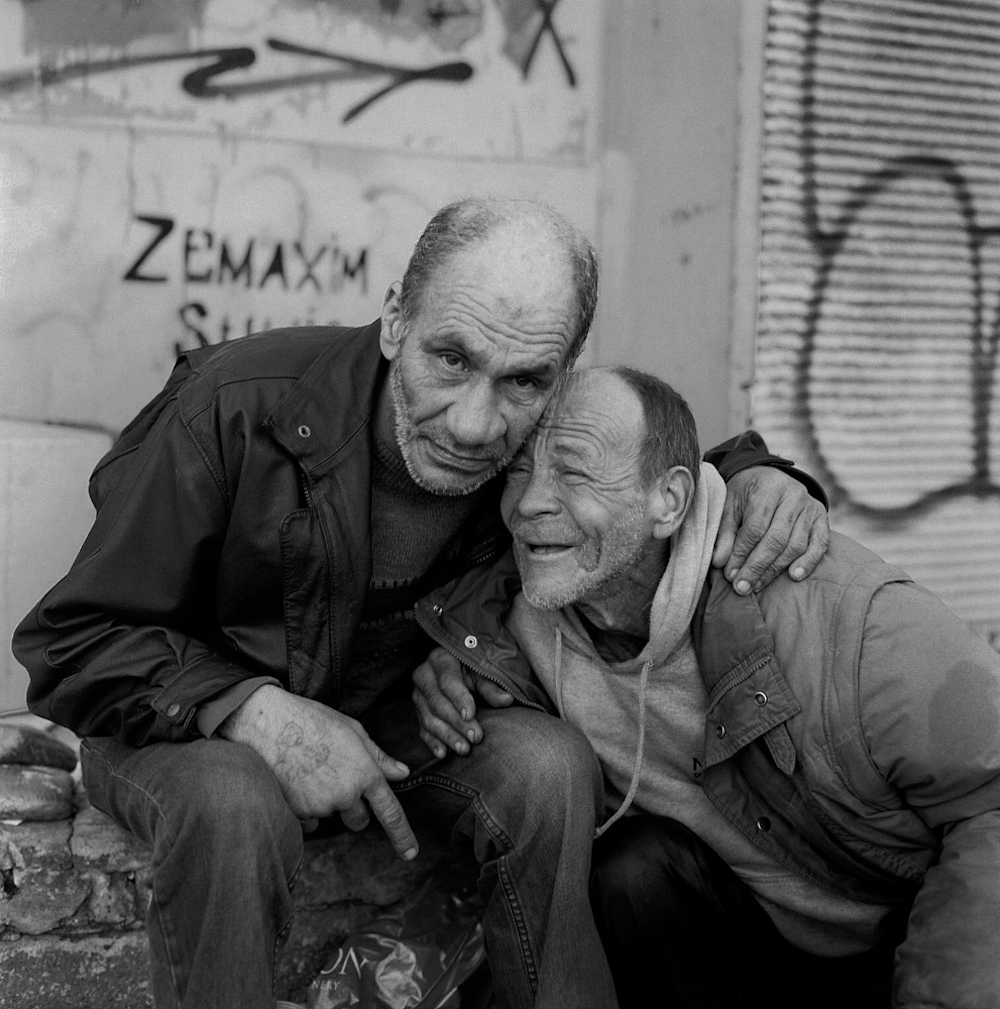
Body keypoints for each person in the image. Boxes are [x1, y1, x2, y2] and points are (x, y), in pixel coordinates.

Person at [13, 198, 829, 1009]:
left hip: (395, 734)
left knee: (548, 767)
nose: (476, 425)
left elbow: (658, 470)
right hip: (184, 730)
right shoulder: (233, 402)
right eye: (450, 359)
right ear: (396, 317)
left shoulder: (542, 432)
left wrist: (761, 479)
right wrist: (256, 710)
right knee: (233, 800)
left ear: (564, 370)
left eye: (524, 381)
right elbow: (75, 638)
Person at [413, 366, 1000, 1009]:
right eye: (519, 469)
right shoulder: (527, 612)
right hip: (742, 937)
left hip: (893, 946)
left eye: (574, 471)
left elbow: (989, 804)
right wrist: (450, 660)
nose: (528, 503)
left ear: (669, 501)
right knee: (630, 873)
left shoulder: (848, 619)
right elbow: (471, 611)